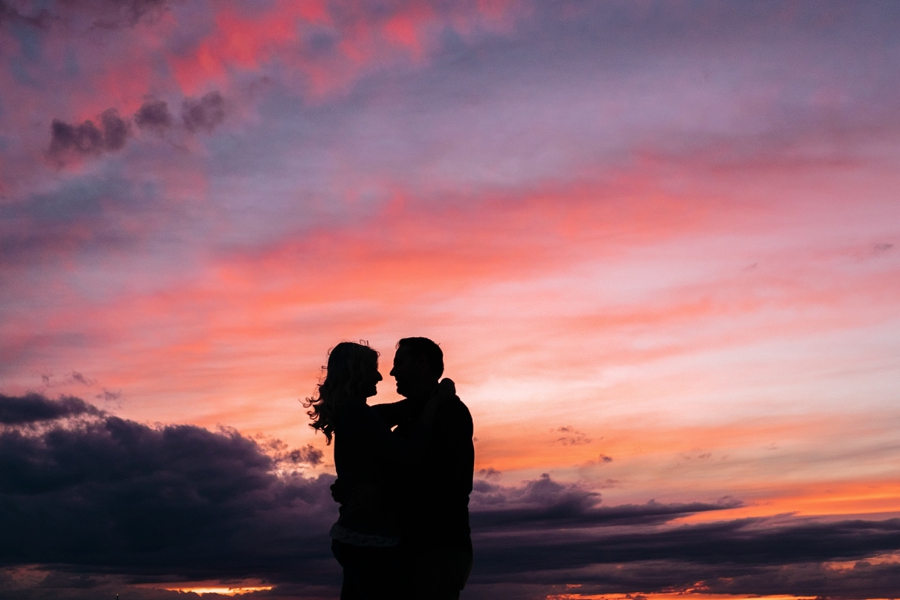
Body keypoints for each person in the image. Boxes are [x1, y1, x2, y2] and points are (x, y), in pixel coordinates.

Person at [304, 341, 454, 600]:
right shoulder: (357, 413)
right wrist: (432, 407)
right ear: (357, 372)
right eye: (372, 369)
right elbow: (409, 455)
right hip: (369, 537)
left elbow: (395, 411)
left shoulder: (354, 413)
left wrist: (437, 392)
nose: (380, 376)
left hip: (356, 535)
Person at [370, 337, 475, 599]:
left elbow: (438, 483)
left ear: (421, 362)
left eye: (399, 363)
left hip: (436, 548)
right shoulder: (419, 411)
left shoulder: (451, 413)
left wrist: (374, 490)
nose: (392, 372)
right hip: (417, 547)